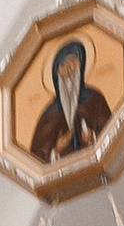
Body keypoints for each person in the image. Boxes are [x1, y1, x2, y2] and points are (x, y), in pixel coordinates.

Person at [27, 35, 111, 163]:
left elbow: (114, 134)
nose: (69, 69)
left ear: (81, 64)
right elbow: (35, 161)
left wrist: (93, 138)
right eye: (63, 65)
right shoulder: (50, 113)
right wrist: (57, 150)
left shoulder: (94, 99)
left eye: (73, 61)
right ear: (57, 72)